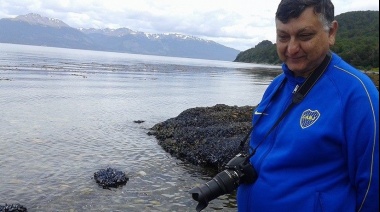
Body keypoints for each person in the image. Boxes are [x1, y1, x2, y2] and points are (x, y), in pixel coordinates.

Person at [237, 0, 379, 211]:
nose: (292, 49)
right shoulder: (277, 85)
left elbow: (372, 188)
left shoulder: (357, 94)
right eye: (283, 37)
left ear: (331, 32)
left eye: (304, 36)